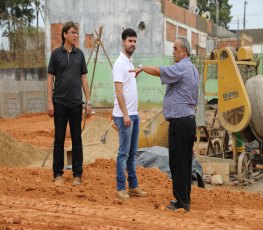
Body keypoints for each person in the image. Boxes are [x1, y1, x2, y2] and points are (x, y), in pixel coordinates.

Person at [131, 37, 199, 211]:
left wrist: (142, 68)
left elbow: (161, 71)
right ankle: (184, 200)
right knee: (185, 161)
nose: (173, 51)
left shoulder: (182, 68)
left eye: (176, 48)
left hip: (180, 123)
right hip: (189, 121)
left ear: (184, 51)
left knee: (178, 163)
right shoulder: (192, 69)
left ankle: (182, 202)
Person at [47, 21, 92, 186]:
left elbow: (84, 79)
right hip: (59, 103)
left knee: (77, 139)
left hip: (75, 104)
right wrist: (49, 102)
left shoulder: (79, 54)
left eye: (76, 33)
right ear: (65, 34)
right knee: (59, 139)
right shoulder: (56, 54)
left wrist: (88, 101)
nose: (75, 35)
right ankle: (57, 174)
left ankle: (77, 175)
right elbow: (50, 78)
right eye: (73, 32)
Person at [112, 28, 147, 200]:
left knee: (133, 153)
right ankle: (120, 188)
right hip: (123, 116)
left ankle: (133, 187)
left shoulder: (130, 62)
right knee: (123, 153)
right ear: (123, 42)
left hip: (133, 114)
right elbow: (119, 92)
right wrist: (125, 115)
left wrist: (137, 73)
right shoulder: (119, 63)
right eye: (129, 41)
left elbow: (127, 86)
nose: (132, 44)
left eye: (134, 41)